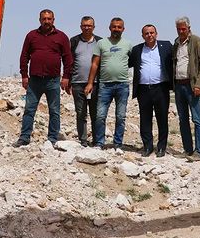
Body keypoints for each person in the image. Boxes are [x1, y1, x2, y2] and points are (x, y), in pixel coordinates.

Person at [14, 9, 72, 147]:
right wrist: (24, 75)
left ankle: (52, 138)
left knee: (55, 111)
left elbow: (68, 59)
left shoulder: (62, 37)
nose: (47, 21)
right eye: (44, 19)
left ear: (53, 20)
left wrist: (66, 77)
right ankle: (24, 137)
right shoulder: (31, 36)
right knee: (29, 110)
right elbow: (24, 56)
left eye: (49, 19)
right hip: (34, 80)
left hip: (53, 81)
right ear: (40, 20)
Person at [85, 17, 132, 149]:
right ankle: (99, 142)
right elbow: (94, 64)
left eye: (119, 27)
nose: (116, 29)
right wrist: (89, 83)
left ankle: (118, 144)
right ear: (109, 28)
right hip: (105, 85)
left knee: (121, 116)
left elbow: (132, 62)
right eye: (114, 26)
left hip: (122, 85)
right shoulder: (101, 43)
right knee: (100, 115)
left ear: (123, 29)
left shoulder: (128, 44)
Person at [129, 24, 173, 157]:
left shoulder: (166, 46)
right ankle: (147, 147)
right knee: (145, 119)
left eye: (152, 33)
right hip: (143, 89)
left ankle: (161, 147)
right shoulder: (137, 49)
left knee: (162, 118)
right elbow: (128, 63)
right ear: (142, 36)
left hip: (161, 88)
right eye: (146, 33)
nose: (149, 35)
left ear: (156, 34)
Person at [172, 16, 200, 161]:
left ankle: (198, 152)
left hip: (192, 86)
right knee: (183, 119)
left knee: (197, 119)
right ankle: (187, 150)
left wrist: (199, 84)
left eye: (183, 29)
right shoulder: (176, 43)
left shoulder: (196, 41)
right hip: (179, 86)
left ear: (189, 28)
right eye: (178, 29)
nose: (181, 31)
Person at [69, 16, 101, 146]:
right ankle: (83, 140)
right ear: (80, 26)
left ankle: (97, 140)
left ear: (94, 27)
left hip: (95, 83)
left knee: (96, 114)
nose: (87, 28)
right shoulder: (74, 41)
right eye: (84, 25)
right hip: (77, 83)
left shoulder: (100, 42)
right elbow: (69, 61)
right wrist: (68, 79)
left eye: (89, 25)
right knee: (81, 113)